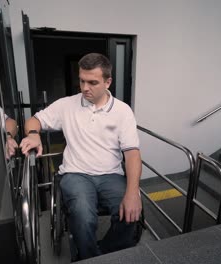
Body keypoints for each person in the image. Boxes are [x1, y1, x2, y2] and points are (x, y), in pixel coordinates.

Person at [19, 53, 142, 260]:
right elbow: (34, 120)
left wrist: (132, 193)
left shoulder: (123, 111)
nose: (85, 88)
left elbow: (132, 154)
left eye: (93, 82)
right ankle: (89, 257)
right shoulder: (66, 105)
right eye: (82, 81)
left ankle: (98, 254)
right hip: (76, 174)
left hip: (111, 176)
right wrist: (34, 135)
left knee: (132, 215)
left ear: (107, 82)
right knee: (83, 217)